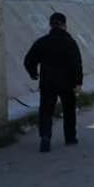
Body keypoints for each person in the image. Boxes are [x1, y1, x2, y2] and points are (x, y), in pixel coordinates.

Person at [24, 12, 83, 153]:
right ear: (64, 25)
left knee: (46, 111)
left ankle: (45, 136)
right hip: (67, 83)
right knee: (69, 110)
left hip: (48, 82)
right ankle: (70, 138)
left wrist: (33, 73)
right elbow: (77, 64)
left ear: (50, 25)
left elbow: (28, 60)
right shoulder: (70, 43)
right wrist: (78, 83)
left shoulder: (42, 42)